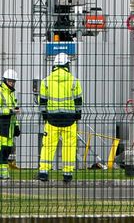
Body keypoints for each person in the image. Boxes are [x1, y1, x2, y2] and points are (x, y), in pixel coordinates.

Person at [37, 52, 83, 183]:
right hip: (69, 119)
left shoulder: (46, 81)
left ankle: (44, 172)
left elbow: (43, 102)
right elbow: (78, 101)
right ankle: (67, 174)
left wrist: (44, 116)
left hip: (52, 119)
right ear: (67, 64)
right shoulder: (74, 81)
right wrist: (77, 116)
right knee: (69, 146)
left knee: (48, 146)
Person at [0, 68, 20, 180]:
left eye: (13, 81)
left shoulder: (11, 94)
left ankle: (3, 173)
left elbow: (14, 112)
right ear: (5, 80)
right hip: (0, 124)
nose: (12, 83)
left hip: (9, 126)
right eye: (10, 81)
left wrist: (16, 125)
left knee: (6, 150)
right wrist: (10, 111)